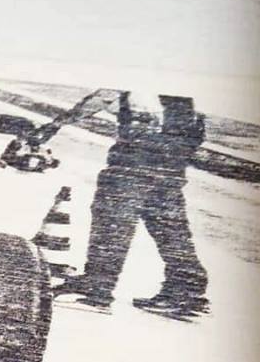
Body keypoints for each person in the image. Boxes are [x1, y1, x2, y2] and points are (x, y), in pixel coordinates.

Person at [56, 90, 209, 319]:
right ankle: (187, 292)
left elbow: (105, 95)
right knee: (170, 227)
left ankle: (96, 290)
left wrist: (54, 125)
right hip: (173, 160)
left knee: (113, 221)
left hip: (136, 156)